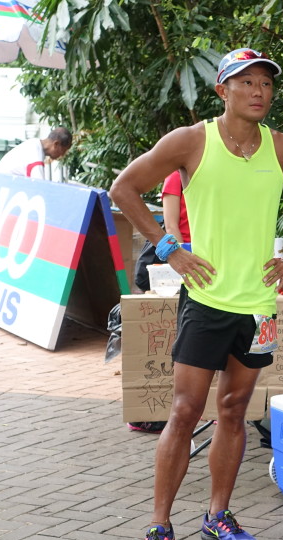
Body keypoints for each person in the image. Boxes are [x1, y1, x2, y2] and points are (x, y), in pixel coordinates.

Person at [110, 46, 283, 540]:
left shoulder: (281, 146)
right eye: (246, 82)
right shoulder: (192, 140)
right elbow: (124, 188)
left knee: (234, 410)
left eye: (266, 84)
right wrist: (168, 248)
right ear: (223, 90)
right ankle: (159, 528)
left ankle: (218, 516)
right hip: (205, 299)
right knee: (184, 411)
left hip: (260, 306)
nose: (259, 92)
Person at [127, 170, 191, 434]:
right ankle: (154, 411)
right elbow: (172, 226)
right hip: (181, 259)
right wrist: (183, 258)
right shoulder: (175, 177)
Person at [0, 128, 72, 180]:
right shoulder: (36, 158)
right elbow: (38, 188)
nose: (62, 155)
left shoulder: (33, 142)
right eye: (64, 150)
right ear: (56, 144)